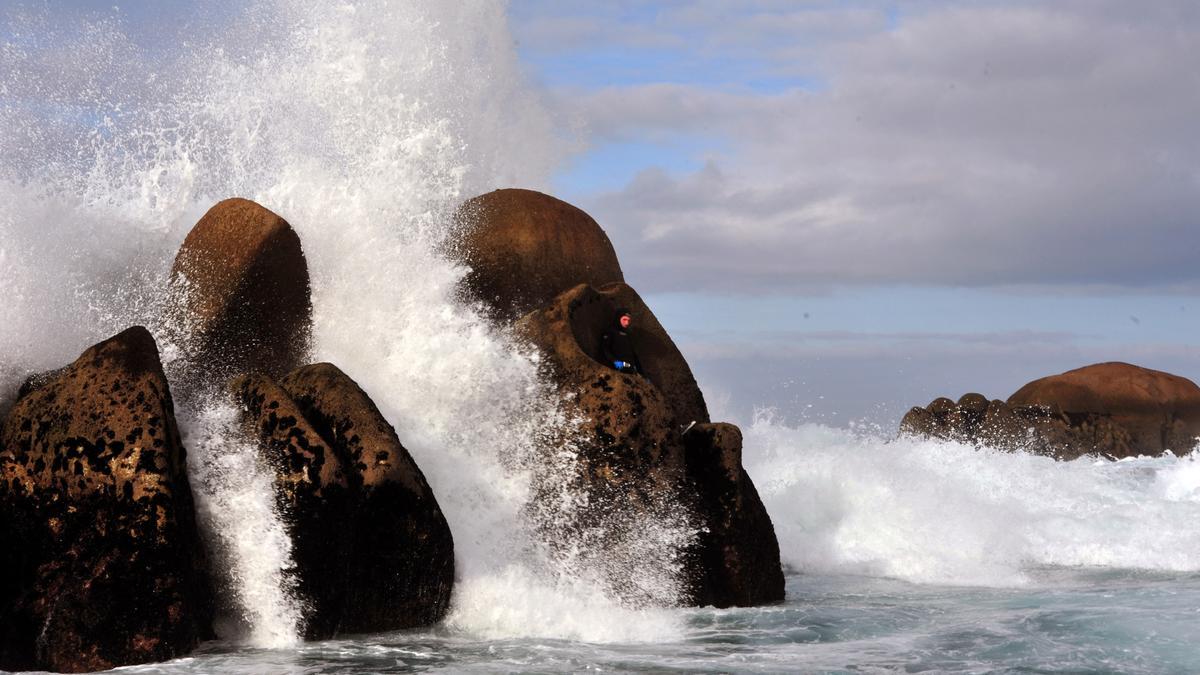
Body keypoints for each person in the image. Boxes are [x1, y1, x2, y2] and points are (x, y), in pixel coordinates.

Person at [601, 307, 642, 375]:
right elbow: (605, 349)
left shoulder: (627, 335)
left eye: (629, 320)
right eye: (624, 319)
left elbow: (634, 355)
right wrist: (615, 361)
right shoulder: (610, 331)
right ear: (618, 318)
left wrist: (642, 373)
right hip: (616, 370)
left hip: (630, 370)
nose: (627, 323)